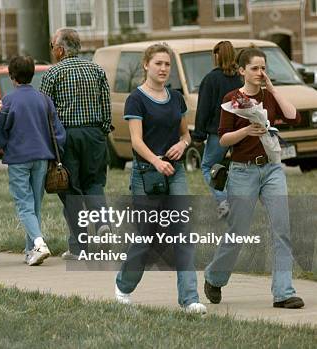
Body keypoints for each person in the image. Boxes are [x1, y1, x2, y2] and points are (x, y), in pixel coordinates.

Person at [204, 47, 304, 309]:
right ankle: (214, 277)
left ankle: (283, 293)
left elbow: (294, 116)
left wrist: (272, 89)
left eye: (264, 68)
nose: (261, 73)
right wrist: (247, 130)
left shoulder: (268, 95)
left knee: (281, 231)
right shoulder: (232, 99)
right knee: (238, 233)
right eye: (255, 68)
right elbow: (223, 138)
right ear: (242, 71)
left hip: (271, 170)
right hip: (242, 171)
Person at [114, 43, 207, 314]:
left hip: (175, 171)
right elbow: (136, 141)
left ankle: (190, 299)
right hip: (146, 174)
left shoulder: (176, 98)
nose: (164, 68)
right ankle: (123, 286)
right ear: (146, 65)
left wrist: (183, 144)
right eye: (158, 63)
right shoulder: (136, 99)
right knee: (147, 237)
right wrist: (156, 161)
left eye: (167, 64)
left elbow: (185, 134)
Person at [40, 28, 111, 260]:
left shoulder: (53, 74)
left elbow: (45, 111)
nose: (53, 51)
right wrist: (101, 131)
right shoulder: (97, 70)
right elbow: (106, 108)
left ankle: (79, 247)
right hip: (95, 134)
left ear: (60, 49)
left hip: (66, 136)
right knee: (94, 183)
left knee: (70, 190)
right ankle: (102, 223)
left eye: (53, 47)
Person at [0, 55, 66, 266]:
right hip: (42, 157)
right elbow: (58, 131)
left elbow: (0, 131)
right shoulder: (44, 99)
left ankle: (39, 243)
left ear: (12, 75)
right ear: (32, 74)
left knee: (24, 204)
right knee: (35, 205)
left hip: (18, 158)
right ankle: (30, 250)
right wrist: (55, 151)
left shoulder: (8, 100)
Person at [193, 41, 243, 219]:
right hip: (241, 132)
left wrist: (198, 135)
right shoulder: (240, 78)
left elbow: (203, 109)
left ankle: (223, 201)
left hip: (218, 133)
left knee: (207, 166)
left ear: (216, 56)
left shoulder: (210, 79)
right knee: (236, 169)